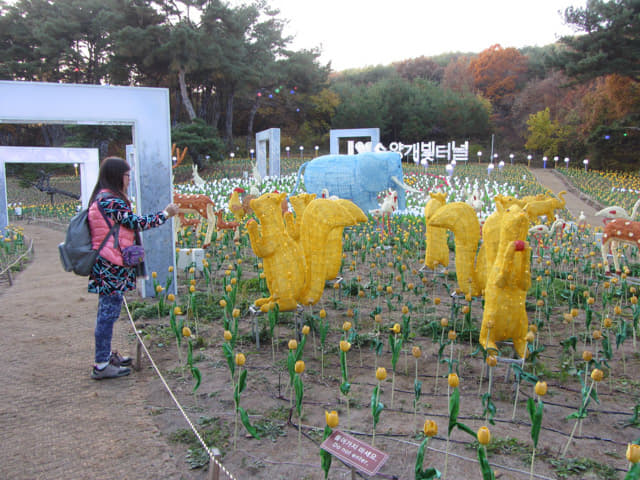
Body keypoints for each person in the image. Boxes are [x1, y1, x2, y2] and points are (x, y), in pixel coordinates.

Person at [88, 157, 179, 380]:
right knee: (107, 315)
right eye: (127, 176)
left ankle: (106, 356)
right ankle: (101, 364)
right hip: (111, 264)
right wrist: (166, 214)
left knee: (107, 312)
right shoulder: (111, 201)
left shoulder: (103, 198)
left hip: (107, 262)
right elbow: (137, 223)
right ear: (118, 176)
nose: (129, 180)